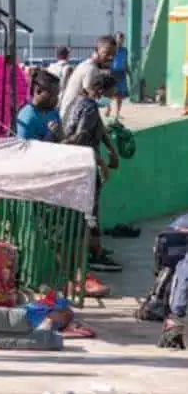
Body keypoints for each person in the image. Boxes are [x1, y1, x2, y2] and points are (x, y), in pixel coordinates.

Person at [63, 71, 122, 273]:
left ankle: (95, 249)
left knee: (92, 208)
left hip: (88, 162)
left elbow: (100, 130)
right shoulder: (87, 107)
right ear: (99, 90)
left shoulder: (88, 104)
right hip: (84, 164)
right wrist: (102, 164)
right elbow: (82, 139)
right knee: (90, 210)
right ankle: (94, 254)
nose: (112, 97)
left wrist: (112, 150)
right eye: (110, 93)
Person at [58, 36, 117, 123]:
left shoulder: (92, 66)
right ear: (96, 51)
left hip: (74, 116)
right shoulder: (90, 69)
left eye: (113, 54)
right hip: (70, 120)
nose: (111, 58)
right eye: (107, 53)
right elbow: (90, 97)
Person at [16, 69, 62, 141]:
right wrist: (50, 134)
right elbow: (27, 150)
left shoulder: (54, 112)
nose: (56, 99)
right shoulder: (27, 117)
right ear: (38, 91)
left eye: (57, 95)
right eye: (52, 95)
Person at [110, 32, 130, 119]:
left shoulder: (125, 50)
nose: (121, 40)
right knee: (110, 93)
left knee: (120, 95)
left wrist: (129, 72)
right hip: (112, 73)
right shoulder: (111, 50)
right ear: (115, 39)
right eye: (119, 38)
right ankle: (108, 107)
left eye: (122, 39)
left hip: (121, 74)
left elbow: (125, 62)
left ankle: (117, 113)